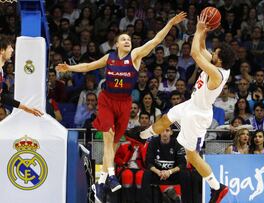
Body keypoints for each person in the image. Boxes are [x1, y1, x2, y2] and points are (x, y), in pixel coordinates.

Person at [56, 12, 186, 203]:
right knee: (108, 138)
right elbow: (88, 66)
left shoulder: (135, 56)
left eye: (129, 39)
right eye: (123, 39)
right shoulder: (109, 58)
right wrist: (69, 68)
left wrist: (169, 23)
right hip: (107, 100)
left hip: (124, 103)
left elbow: (156, 40)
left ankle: (100, 183)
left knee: (114, 144)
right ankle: (110, 175)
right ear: (116, 44)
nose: (127, 41)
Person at [140, 13, 236, 203]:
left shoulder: (217, 74)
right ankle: (142, 135)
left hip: (198, 115)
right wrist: (203, 31)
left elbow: (194, 53)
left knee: (192, 156)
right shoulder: (219, 65)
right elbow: (200, 47)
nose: (212, 53)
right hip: (191, 105)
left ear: (220, 60)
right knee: (168, 117)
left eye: (215, 53)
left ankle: (218, 188)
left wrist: (199, 30)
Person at [0, 39, 43, 117]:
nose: (12, 50)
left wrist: (25, 108)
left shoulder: (1, 70)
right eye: (9, 47)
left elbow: (2, 97)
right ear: (2, 50)